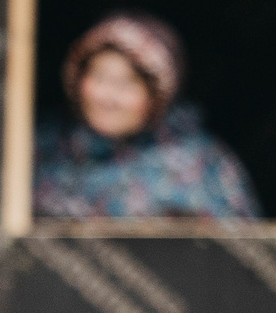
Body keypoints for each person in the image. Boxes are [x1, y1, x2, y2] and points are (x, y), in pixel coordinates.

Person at [34, 12, 259, 220]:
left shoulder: (202, 165)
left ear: (155, 97)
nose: (108, 97)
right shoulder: (40, 150)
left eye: (128, 83)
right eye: (99, 76)